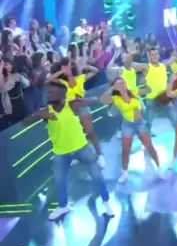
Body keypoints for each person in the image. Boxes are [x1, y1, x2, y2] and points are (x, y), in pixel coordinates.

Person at [23, 82, 113, 221]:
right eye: (48, 92)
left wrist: (101, 99)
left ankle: (106, 202)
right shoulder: (45, 111)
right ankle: (63, 206)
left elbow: (92, 101)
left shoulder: (71, 105)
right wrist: (37, 115)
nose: (48, 95)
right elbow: (26, 122)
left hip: (81, 147)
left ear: (62, 94)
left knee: (97, 176)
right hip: (60, 152)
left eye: (52, 92)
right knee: (60, 181)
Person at [100, 78, 165, 183]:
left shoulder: (134, 91)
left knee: (149, 146)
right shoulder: (116, 98)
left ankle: (159, 168)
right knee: (126, 150)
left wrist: (146, 83)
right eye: (118, 84)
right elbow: (102, 99)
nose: (121, 85)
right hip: (127, 125)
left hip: (139, 123)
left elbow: (148, 90)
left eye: (122, 83)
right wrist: (111, 89)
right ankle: (125, 172)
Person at [49, 58, 105, 167]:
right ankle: (77, 156)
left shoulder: (80, 78)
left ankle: (100, 154)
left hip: (82, 108)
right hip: (69, 112)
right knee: (74, 136)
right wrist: (61, 72)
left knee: (90, 132)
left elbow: (96, 71)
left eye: (69, 67)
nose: (68, 69)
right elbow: (49, 80)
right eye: (65, 67)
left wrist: (85, 66)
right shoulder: (61, 83)